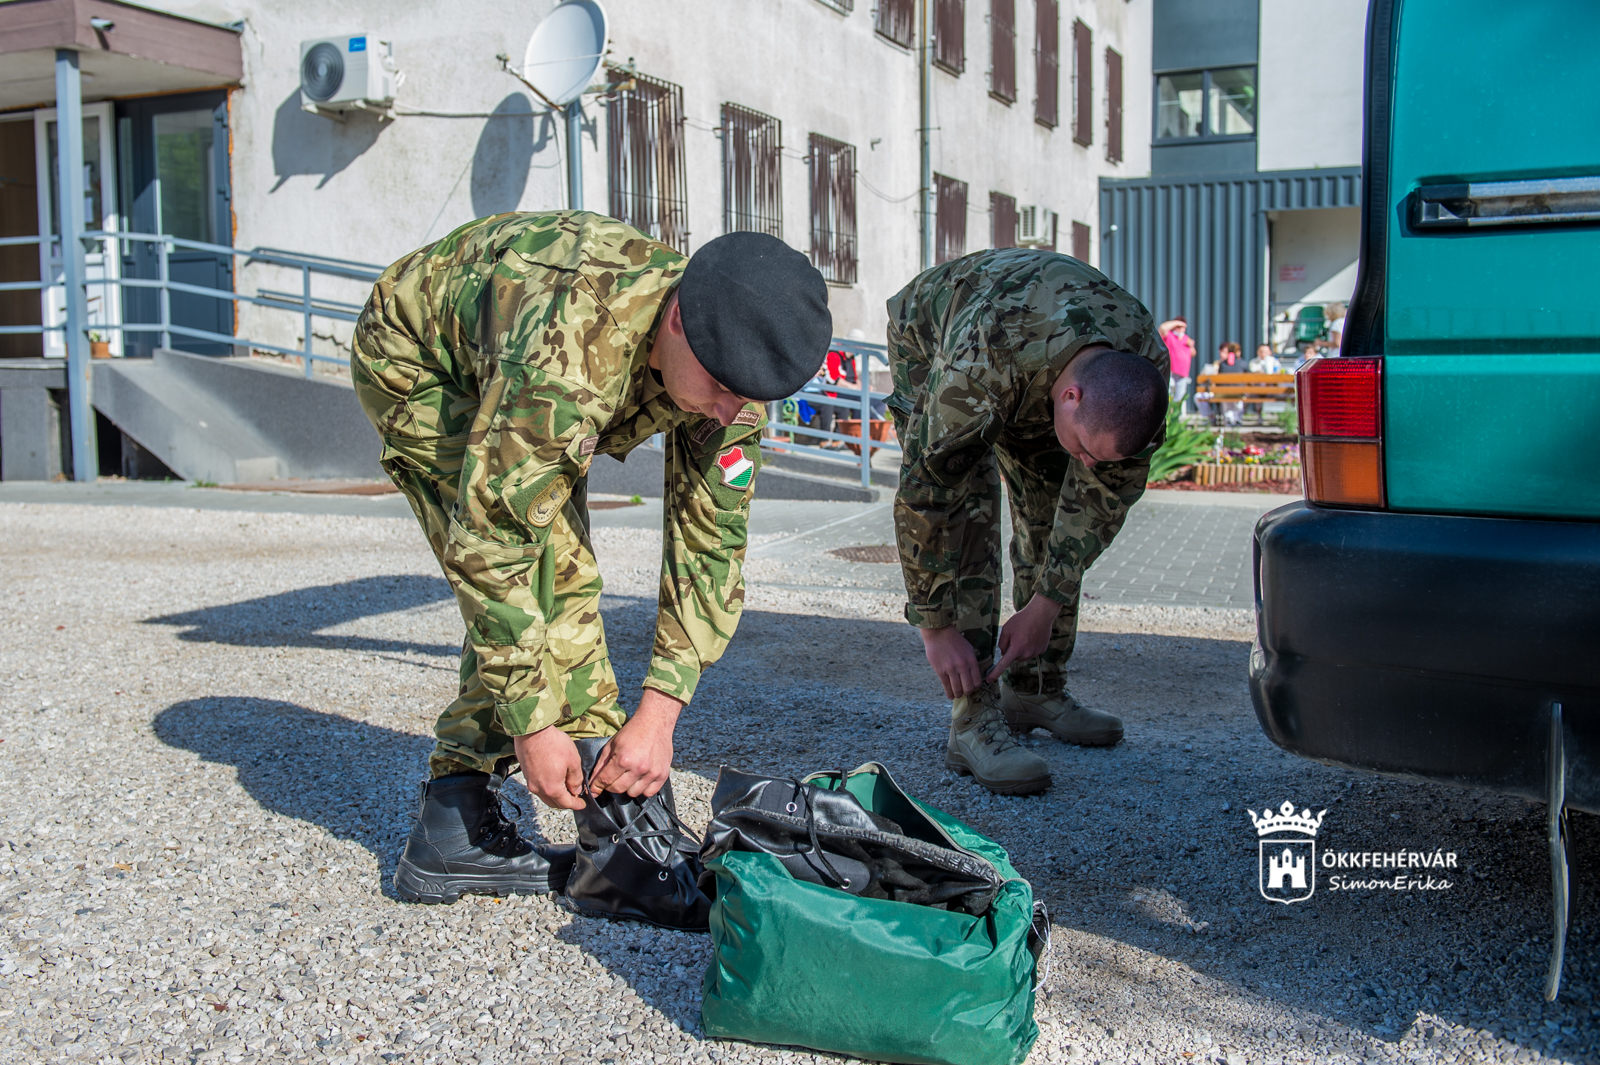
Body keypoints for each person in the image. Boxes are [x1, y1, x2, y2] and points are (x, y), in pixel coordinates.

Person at [351, 211, 831, 904]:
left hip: (534, 365)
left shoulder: (729, 367)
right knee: (552, 566)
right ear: (675, 324)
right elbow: (494, 544)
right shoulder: (569, 358)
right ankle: (620, 846)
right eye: (724, 390)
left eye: (751, 398)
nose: (732, 413)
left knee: (548, 568)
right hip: (420, 363)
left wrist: (658, 717)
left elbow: (712, 544)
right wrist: (533, 723)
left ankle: (451, 823)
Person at [886, 249, 1167, 796]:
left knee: (1052, 511)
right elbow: (926, 495)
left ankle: (1034, 689)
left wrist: (1046, 603)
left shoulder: (1138, 371)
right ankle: (972, 719)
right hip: (940, 338)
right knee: (969, 513)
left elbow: (1099, 502)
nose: (1087, 463)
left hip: (1036, 361)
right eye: (1086, 448)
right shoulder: (976, 370)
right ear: (1070, 397)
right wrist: (935, 628)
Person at [1157, 317, 1195, 408]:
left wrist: (1192, 347)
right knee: (1168, 392)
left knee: (1179, 396)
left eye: (1182, 327)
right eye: (1178, 326)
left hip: (1183, 372)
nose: (1180, 329)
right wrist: (1177, 323)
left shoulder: (1186, 339)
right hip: (1171, 370)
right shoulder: (1169, 336)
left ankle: (1174, 416)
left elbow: (1192, 354)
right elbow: (1162, 328)